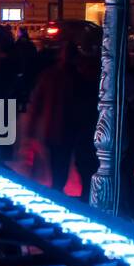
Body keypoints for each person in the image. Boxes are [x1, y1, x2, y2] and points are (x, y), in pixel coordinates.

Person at [26, 41, 98, 198]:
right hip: (70, 128)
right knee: (65, 161)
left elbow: (36, 100)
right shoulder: (78, 77)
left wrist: (31, 125)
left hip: (53, 128)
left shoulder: (50, 75)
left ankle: (57, 189)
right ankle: (60, 189)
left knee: (57, 161)